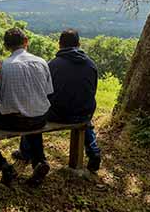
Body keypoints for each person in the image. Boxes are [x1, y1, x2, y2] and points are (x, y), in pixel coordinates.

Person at [15, 28, 101, 172]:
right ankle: (94, 152)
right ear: (79, 44)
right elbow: (92, 91)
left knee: (32, 115)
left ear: (59, 44)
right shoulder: (90, 64)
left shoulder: (53, 65)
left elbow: (44, 93)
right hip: (84, 113)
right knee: (85, 121)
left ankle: (26, 153)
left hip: (58, 114)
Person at [0, 28, 54, 186]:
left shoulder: (3, 67)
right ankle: (39, 162)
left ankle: (3, 166)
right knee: (31, 116)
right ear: (26, 41)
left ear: (6, 46)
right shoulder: (42, 62)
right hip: (40, 118)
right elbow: (49, 92)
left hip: (13, 121)